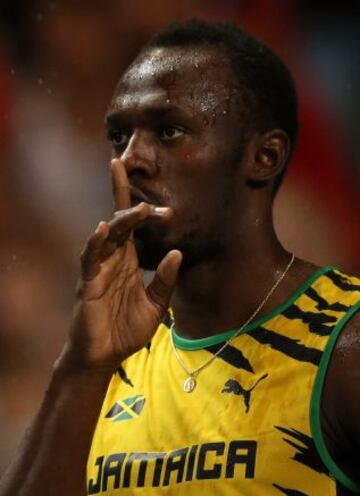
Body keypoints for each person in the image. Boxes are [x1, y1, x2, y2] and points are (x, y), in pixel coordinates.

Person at [0, 19, 360, 496]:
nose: (131, 160)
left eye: (168, 131)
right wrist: (81, 368)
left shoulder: (344, 344)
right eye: (118, 137)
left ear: (264, 157)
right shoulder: (105, 366)